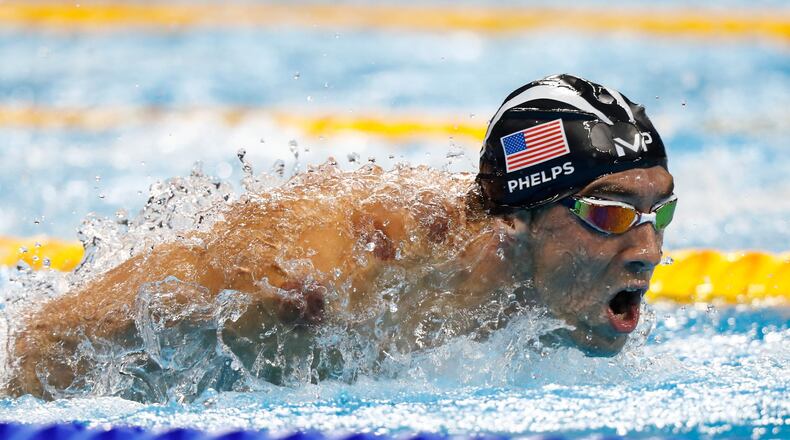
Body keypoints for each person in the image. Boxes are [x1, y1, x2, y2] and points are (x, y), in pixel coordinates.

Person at [6, 74, 675, 401]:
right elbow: (55, 339)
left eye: (658, 213)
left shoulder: (550, 296)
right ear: (514, 220)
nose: (648, 251)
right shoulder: (329, 269)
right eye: (609, 215)